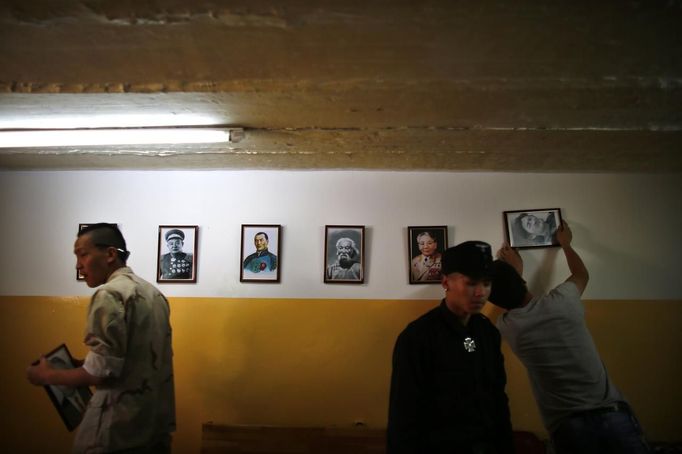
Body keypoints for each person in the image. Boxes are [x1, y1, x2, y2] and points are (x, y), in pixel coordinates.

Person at [489, 221, 651, 454]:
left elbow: (503, 307)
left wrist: (514, 274)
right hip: (611, 413)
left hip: (567, 427)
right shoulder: (563, 302)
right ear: (521, 280)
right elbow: (581, 274)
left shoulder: (509, 327)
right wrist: (565, 244)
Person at [26, 223, 176, 453]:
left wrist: (48, 375)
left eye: (83, 254)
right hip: (152, 432)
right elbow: (132, 360)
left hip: (116, 435)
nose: (78, 265)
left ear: (110, 254)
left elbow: (97, 374)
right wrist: (82, 363)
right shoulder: (154, 294)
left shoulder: (108, 294)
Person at [388, 241, 515, 454]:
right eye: (471, 283)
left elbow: (497, 398)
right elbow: (404, 414)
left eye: (486, 283)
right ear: (445, 282)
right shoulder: (418, 337)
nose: (481, 293)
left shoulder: (487, 333)